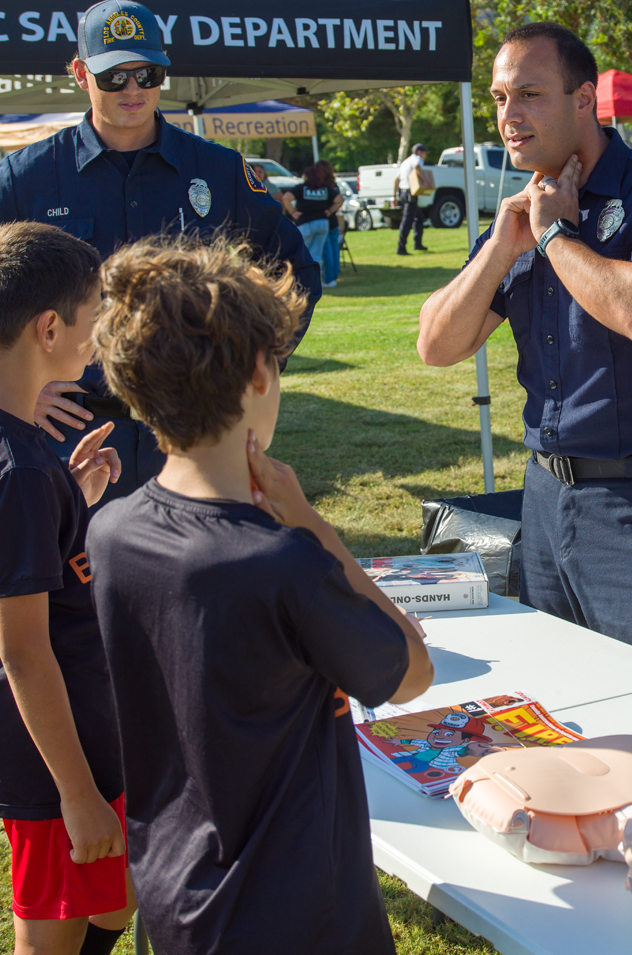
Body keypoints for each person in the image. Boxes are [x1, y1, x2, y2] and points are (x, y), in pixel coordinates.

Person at [86, 238, 433, 954]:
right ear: (256, 374)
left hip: (175, 894)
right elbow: (410, 672)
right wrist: (314, 526)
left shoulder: (111, 530)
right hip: (297, 915)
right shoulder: (281, 561)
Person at [0, 0, 320, 505]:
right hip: (74, 435)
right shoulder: (32, 176)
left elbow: (296, 271)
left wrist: (253, 370)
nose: (133, 89)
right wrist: (7, 386)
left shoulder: (218, 172)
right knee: (73, 580)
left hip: (190, 429)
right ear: (80, 73)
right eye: (114, 76)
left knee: (194, 579)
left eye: (147, 73)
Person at [417, 21, 632, 673]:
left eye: (529, 94)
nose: (509, 115)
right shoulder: (524, 209)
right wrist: (503, 245)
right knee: (562, 697)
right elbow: (436, 345)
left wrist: (557, 238)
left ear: (583, 100)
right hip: (546, 499)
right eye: (499, 99)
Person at [0, 222, 135, 955]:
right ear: (49, 328)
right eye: (93, 318)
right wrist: (75, 796)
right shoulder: (13, 471)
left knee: (110, 908)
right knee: (55, 935)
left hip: (76, 734)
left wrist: (72, 498)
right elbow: (24, 652)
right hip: (54, 758)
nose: (99, 335)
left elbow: (1, 550)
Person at [282, 163, 341, 279]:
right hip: (323, 223)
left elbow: (286, 197)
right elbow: (340, 199)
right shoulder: (325, 189)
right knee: (316, 254)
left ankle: (299, 279)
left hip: (305, 223)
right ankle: (315, 281)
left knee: (300, 252)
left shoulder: (301, 188)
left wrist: (293, 212)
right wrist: (330, 211)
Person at [395, 142, 429, 255]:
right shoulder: (417, 159)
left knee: (419, 217)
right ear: (419, 152)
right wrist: (425, 181)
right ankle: (401, 248)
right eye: (425, 153)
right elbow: (417, 167)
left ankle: (417, 244)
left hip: (403, 193)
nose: (425, 156)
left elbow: (396, 180)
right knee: (407, 221)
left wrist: (394, 196)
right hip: (410, 193)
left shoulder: (405, 161)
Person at [319, 160, 345, 288]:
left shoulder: (323, 186)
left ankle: (328, 278)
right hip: (334, 221)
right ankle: (333, 276)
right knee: (334, 250)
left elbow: (340, 200)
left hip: (327, 221)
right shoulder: (334, 184)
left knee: (328, 251)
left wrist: (329, 211)